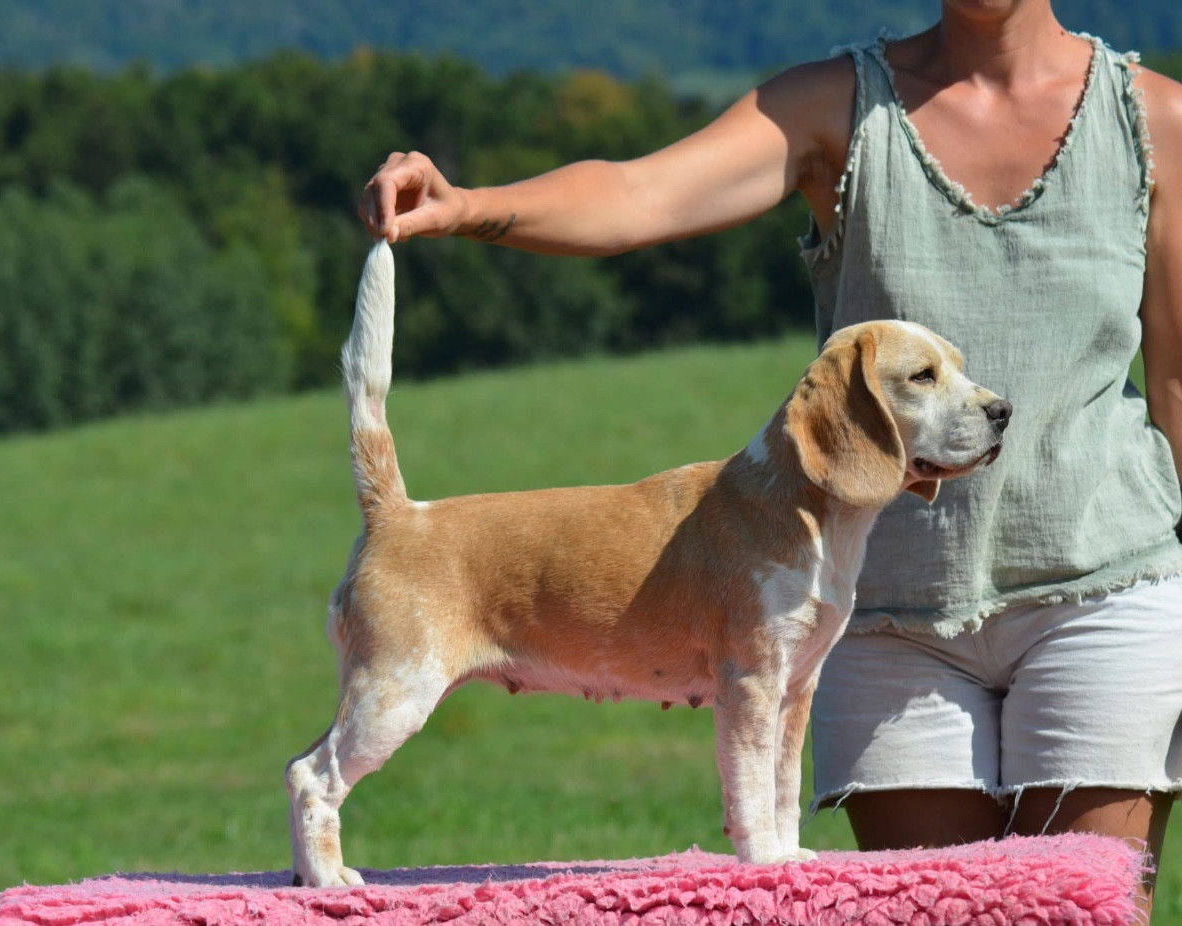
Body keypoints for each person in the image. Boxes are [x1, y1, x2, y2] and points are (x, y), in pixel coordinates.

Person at [359, 0, 1182, 915]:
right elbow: (638, 195)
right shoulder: (837, 104)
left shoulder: (1158, 121)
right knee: (934, 913)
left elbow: (1179, 382)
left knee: (1079, 913)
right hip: (881, 615)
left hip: (1105, 596)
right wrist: (468, 205)